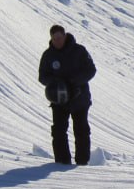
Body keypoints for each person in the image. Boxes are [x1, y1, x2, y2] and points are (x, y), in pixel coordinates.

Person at [38, 24, 97, 165]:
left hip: (79, 98)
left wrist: (73, 82)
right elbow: (42, 76)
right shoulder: (48, 55)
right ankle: (62, 162)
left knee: (81, 130)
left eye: (59, 38)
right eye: (54, 38)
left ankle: (82, 162)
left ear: (64, 36)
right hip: (59, 100)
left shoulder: (79, 51)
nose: (57, 41)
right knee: (58, 131)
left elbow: (91, 70)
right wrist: (56, 83)